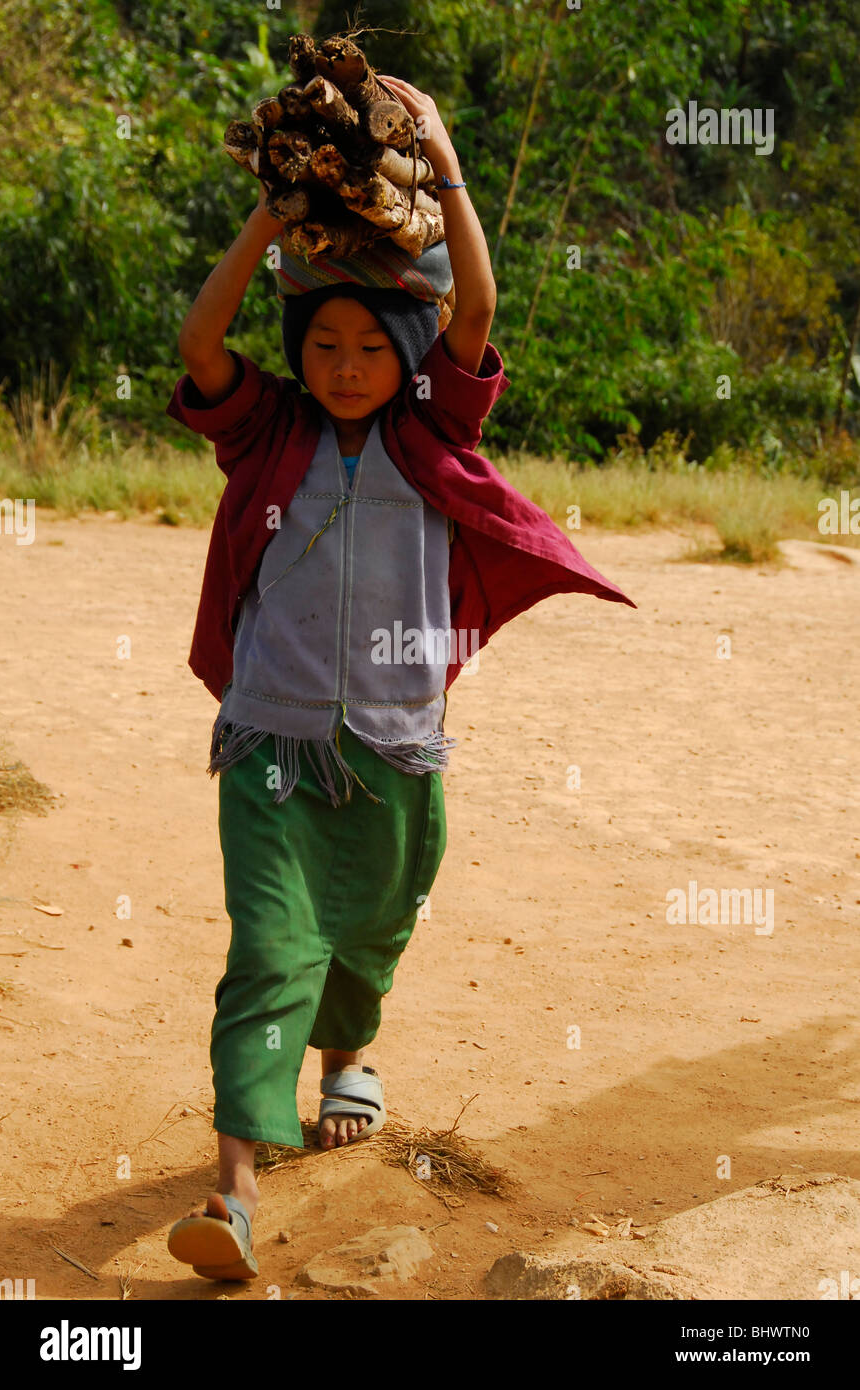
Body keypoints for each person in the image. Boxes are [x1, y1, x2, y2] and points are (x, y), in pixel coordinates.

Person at [165, 75, 635, 1281]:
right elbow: (200, 343)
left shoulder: (436, 432)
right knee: (271, 947)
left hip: (395, 747)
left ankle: (348, 1050)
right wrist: (272, 220)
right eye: (322, 342)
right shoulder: (266, 429)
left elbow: (477, 294)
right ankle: (234, 1194)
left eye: (372, 345)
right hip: (268, 742)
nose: (345, 363)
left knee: (370, 930)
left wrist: (444, 157)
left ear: (412, 352)